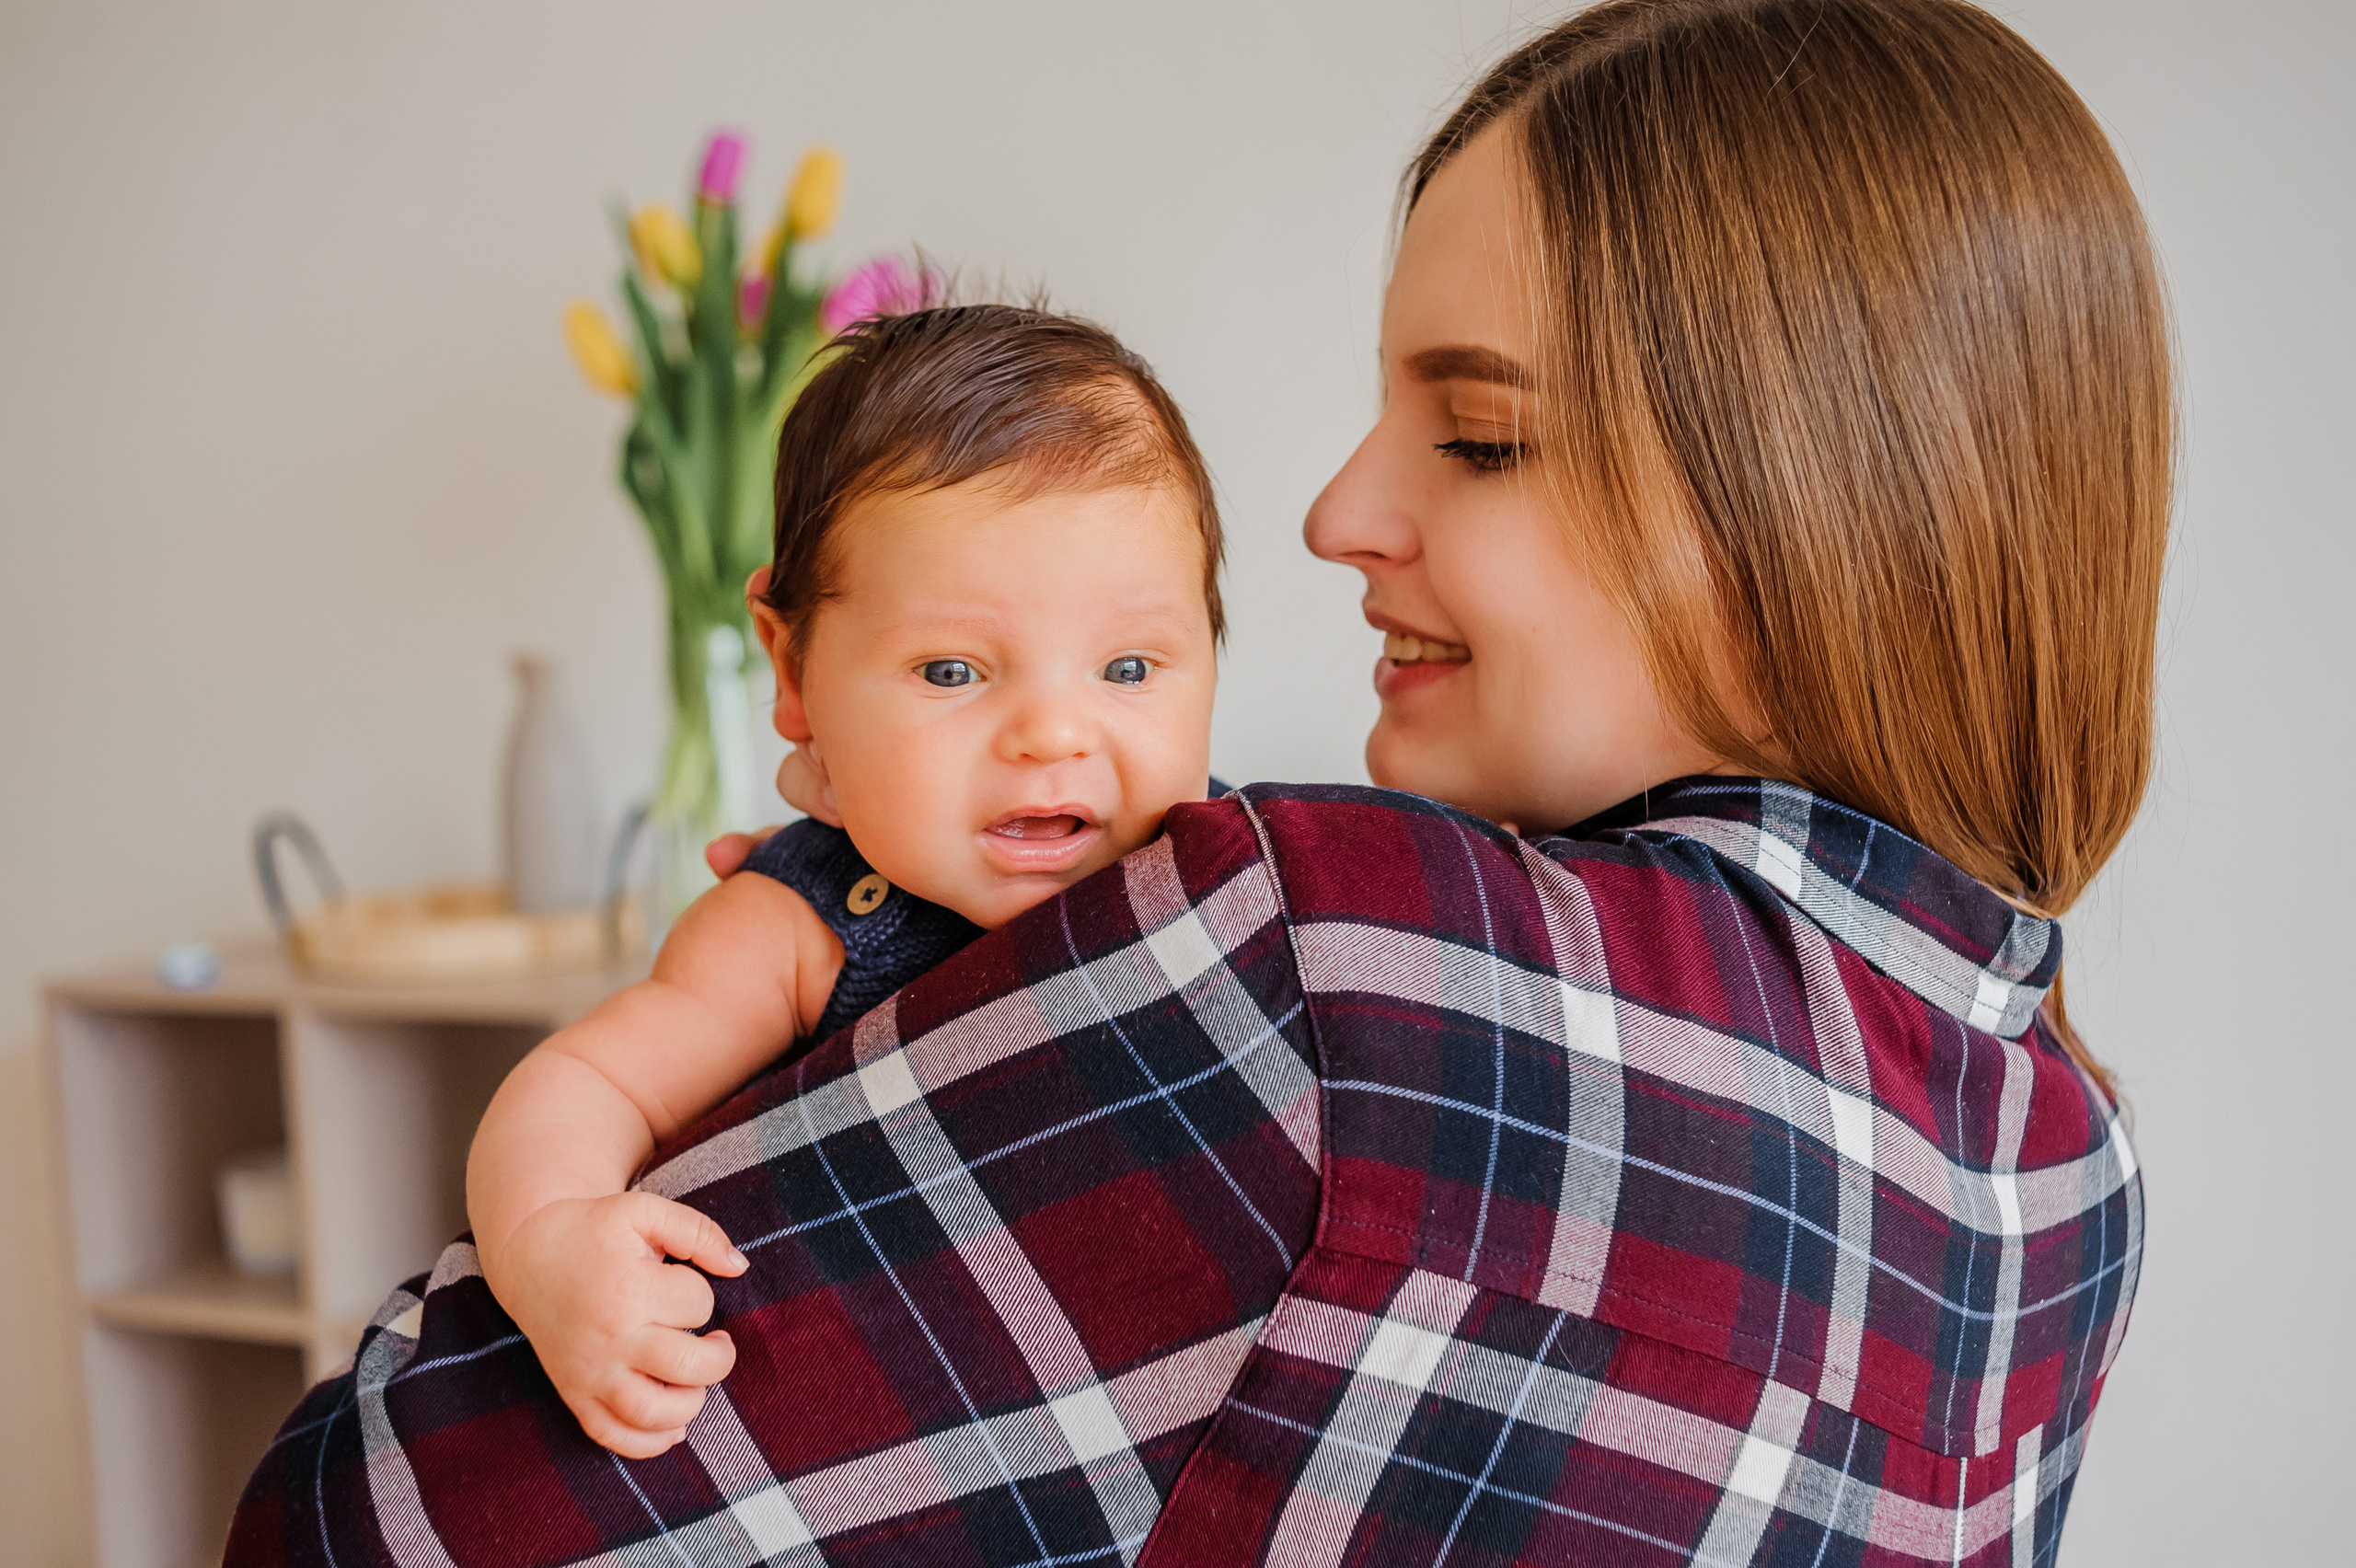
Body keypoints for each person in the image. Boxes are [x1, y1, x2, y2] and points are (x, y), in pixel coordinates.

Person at [227, 2, 2160, 1563]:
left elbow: (358, 1520)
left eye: (1475, 437)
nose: (1333, 512)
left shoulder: (1337, 969)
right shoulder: (2070, 1168)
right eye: (957, 669)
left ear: (1807, 508)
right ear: (796, 662)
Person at [462, 303, 1230, 1459]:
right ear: (795, 671)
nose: (1053, 734)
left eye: (1128, 666)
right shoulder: (794, 927)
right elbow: (585, 1083)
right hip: (898, 1424)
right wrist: (554, 1244)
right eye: (952, 669)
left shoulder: (1237, 873)